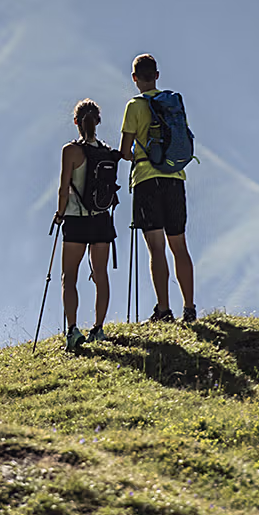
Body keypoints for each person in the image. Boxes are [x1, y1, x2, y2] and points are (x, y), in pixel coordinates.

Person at [120, 53, 196, 325]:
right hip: (175, 177)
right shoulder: (173, 103)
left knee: (156, 248)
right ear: (157, 75)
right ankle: (189, 309)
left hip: (146, 180)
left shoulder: (135, 106)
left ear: (135, 78)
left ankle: (164, 310)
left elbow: (124, 151)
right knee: (180, 245)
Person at [53, 98, 115, 352]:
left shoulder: (70, 151)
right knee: (100, 274)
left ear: (76, 122)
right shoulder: (107, 152)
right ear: (98, 121)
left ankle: (72, 331)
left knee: (70, 277)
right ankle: (98, 329)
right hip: (101, 219)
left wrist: (59, 214)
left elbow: (64, 189)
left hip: (76, 221)